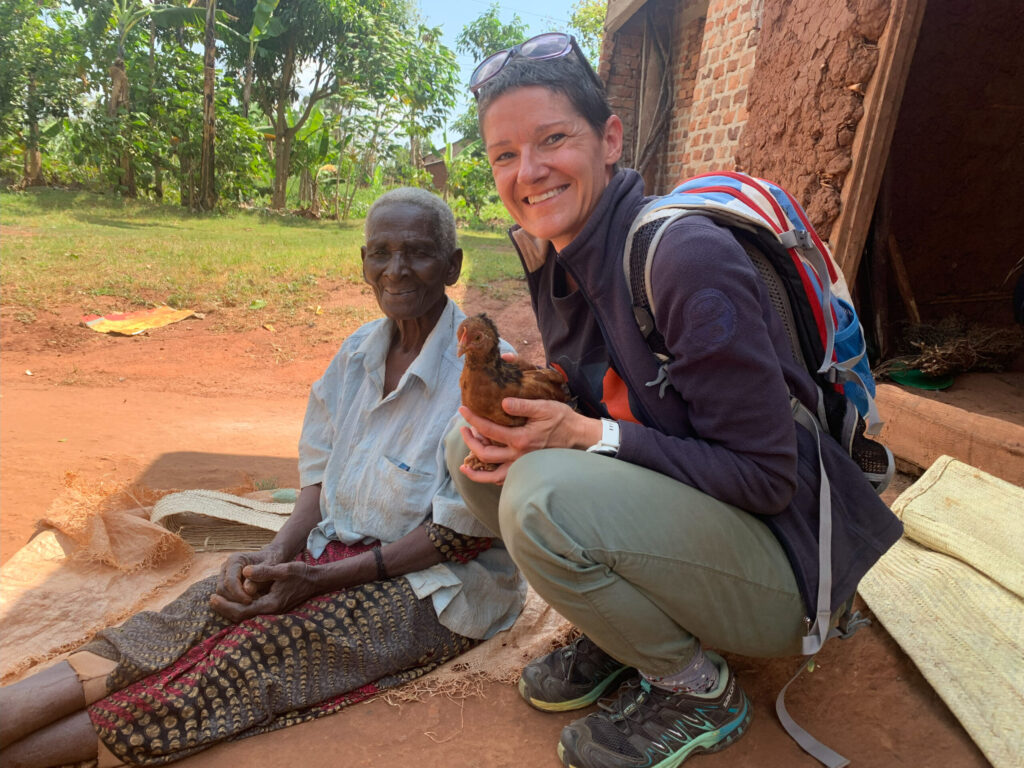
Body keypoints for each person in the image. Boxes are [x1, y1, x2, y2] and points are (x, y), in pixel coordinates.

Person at [445, 32, 903, 768]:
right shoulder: (562, 256)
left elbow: (764, 476)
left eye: (552, 139)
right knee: (469, 449)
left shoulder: (682, 258)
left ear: (611, 138)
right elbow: (616, 395)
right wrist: (533, 397)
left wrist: (584, 435)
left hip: (790, 565)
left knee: (540, 495)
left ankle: (696, 688)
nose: (528, 172)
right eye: (504, 154)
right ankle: (626, 629)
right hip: (706, 518)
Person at [0, 187, 525, 768]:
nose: (396, 270)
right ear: (363, 261)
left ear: (452, 265)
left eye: (418, 253)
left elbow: (455, 537)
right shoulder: (357, 353)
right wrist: (273, 554)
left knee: (251, 656)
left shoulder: (485, 376)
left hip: (439, 586)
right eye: (380, 252)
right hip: (329, 556)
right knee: (196, 610)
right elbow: (319, 477)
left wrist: (316, 583)